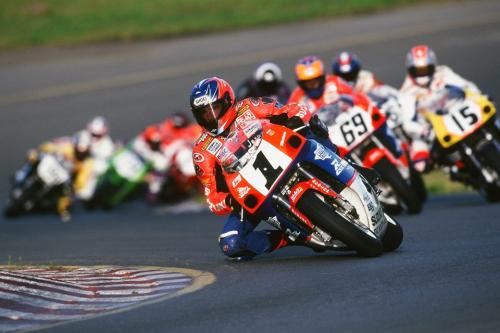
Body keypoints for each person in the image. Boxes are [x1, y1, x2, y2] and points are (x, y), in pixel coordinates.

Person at [190, 77, 333, 261]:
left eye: (214, 109)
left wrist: (296, 122)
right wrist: (230, 200)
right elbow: (212, 198)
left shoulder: (250, 106)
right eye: (204, 113)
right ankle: (291, 237)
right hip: (252, 189)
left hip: (286, 156)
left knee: (314, 127)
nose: (210, 117)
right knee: (230, 243)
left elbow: (294, 110)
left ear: (227, 101)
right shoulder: (202, 150)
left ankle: (346, 166)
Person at [332, 51, 430, 171]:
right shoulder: (335, 88)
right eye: (343, 76)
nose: (348, 78)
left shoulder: (365, 77)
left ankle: (412, 145)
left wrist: (396, 99)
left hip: (377, 110)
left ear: (357, 71)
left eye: (351, 74)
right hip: (359, 122)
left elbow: (383, 90)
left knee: (403, 114)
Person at [400, 45, 483, 171]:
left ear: (433, 66)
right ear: (410, 70)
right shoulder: (406, 91)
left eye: (426, 69)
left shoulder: (443, 72)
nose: (422, 74)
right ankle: (450, 168)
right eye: (417, 71)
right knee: (420, 165)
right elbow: (407, 122)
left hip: (457, 111)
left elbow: (466, 85)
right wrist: (424, 131)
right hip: (432, 128)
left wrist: (478, 98)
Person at [288, 56, 367, 113]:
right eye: (308, 83)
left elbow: (357, 98)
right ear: (302, 84)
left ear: (322, 78)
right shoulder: (296, 97)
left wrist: (344, 99)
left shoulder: (335, 82)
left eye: (316, 81)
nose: (314, 86)